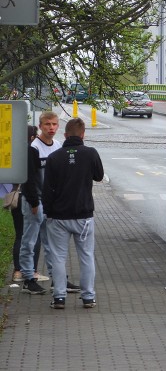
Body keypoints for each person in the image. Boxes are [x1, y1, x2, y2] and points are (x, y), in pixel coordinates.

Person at [43, 117, 104, 309]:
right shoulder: (90, 153)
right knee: (86, 256)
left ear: (65, 134)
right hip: (84, 215)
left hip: (59, 216)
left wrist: (48, 212)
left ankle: (59, 297)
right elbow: (99, 176)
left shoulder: (54, 157)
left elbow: (47, 189)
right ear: (83, 134)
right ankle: (88, 297)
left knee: (58, 257)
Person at [19, 112, 65, 295]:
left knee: (52, 243)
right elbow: (28, 178)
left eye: (54, 124)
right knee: (29, 241)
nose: (51, 128)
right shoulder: (33, 148)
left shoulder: (58, 146)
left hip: (51, 204)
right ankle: (28, 279)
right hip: (34, 202)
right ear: (40, 125)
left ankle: (58, 279)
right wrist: (33, 202)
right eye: (47, 124)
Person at [11, 126, 44, 283]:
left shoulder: (14, 153)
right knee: (34, 237)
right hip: (29, 198)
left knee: (20, 235)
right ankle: (31, 271)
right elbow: (33, 179)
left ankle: (17, 271)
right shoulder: (31, 152)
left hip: (15, 197)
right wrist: (35, 201)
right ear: (31, 137)